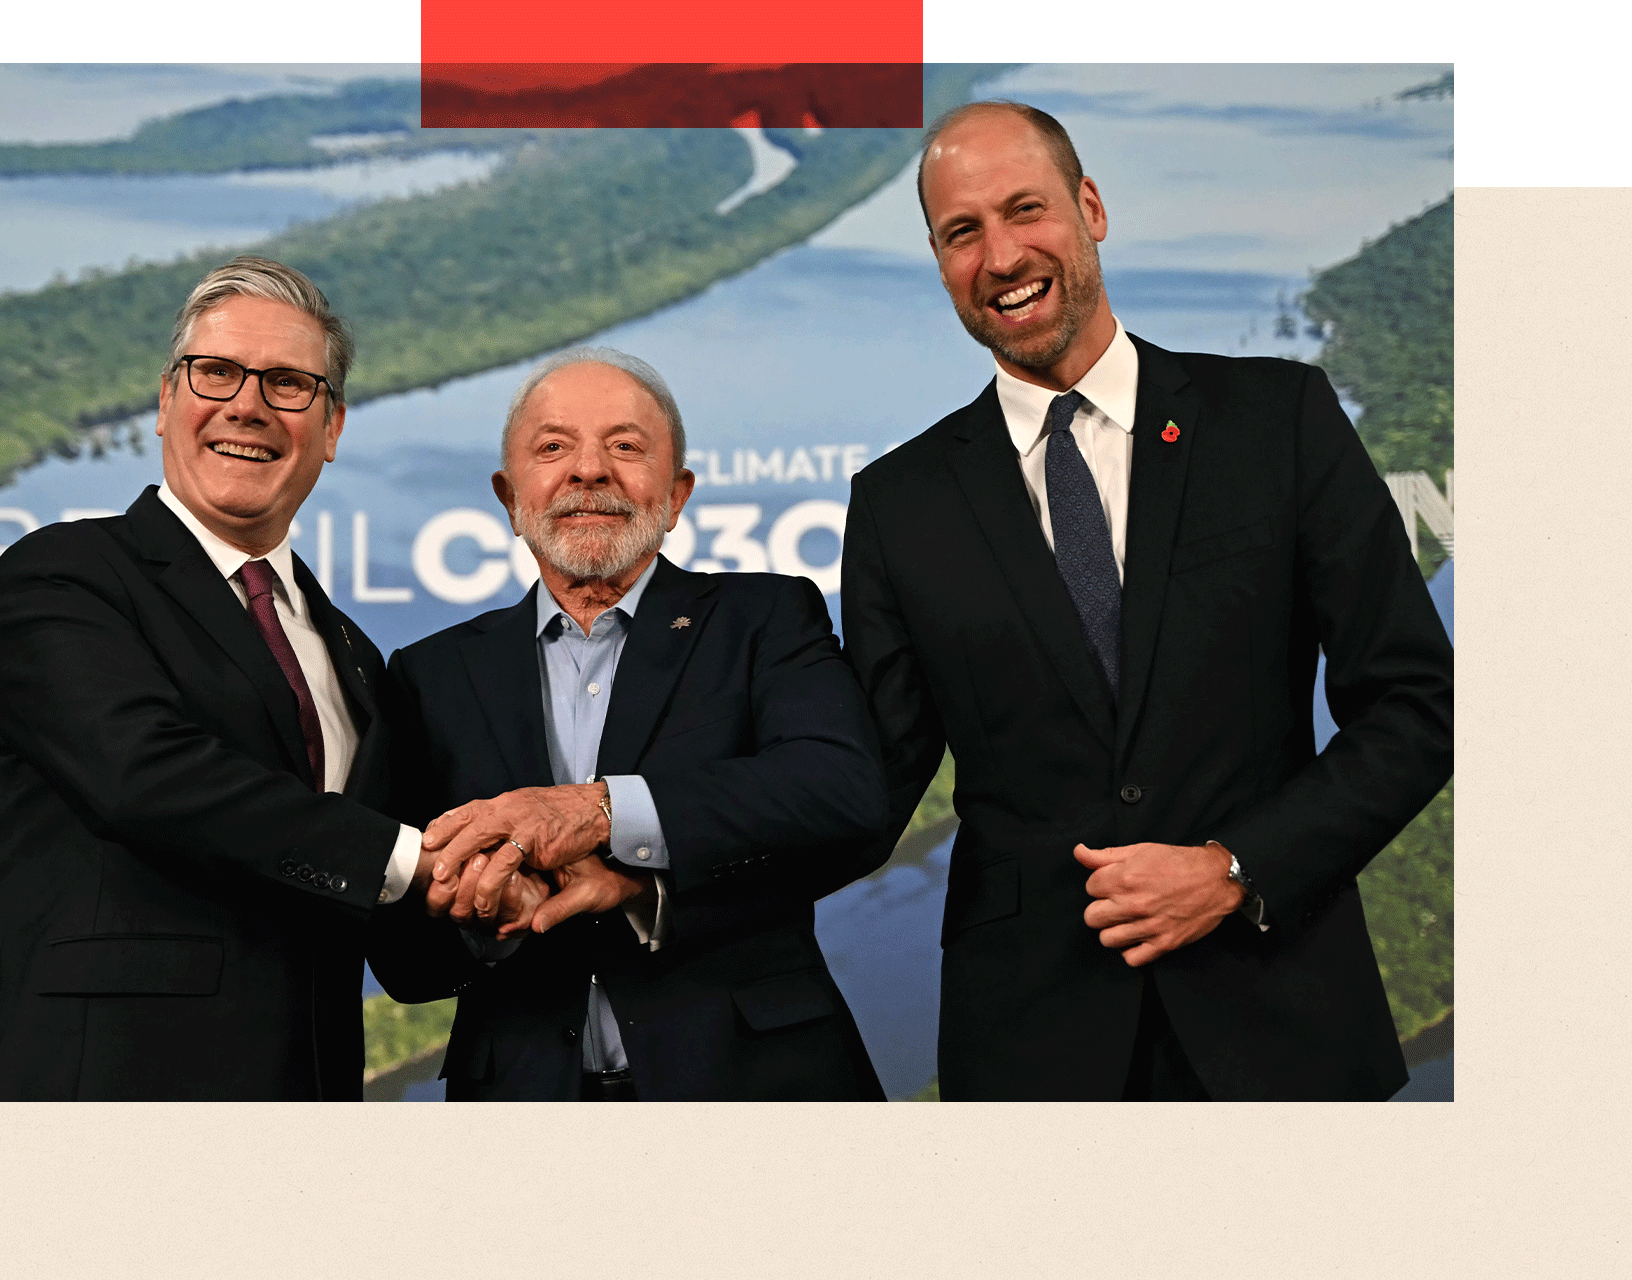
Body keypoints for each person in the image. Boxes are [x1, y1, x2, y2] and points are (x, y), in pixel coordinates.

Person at [840, 102, 1453, 1100]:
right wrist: (649, 856)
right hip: (1035, 1057)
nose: (1001, 254)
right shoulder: (899, 505)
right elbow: (862, 789)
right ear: (940, 259)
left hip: (1283, 1022)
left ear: (1090, 207)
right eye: (962, 232)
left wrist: (1236, 865)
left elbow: (1420, 703)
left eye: (1025, 209)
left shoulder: (1277, 420)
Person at [0, 255, 447, 1100]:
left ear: (331, 430)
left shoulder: (355, 656)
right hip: (97, 1094)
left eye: (289, 383)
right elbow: (142, 776)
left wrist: (507, 890)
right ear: (166, 401)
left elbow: (392, 931)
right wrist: (409, 855)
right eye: (215, 372)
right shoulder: (65, 575)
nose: (246, 405)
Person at [379, 346, 888, 1101]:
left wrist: (602, 814)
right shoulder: (430, 675)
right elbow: (403, 961)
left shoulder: (765, 618)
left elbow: (843, 789)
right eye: (553, 448)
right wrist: (481, 916)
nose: (589, 470)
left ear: (676, 494)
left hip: (756, 1090)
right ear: (509, 497)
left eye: (625, 446)